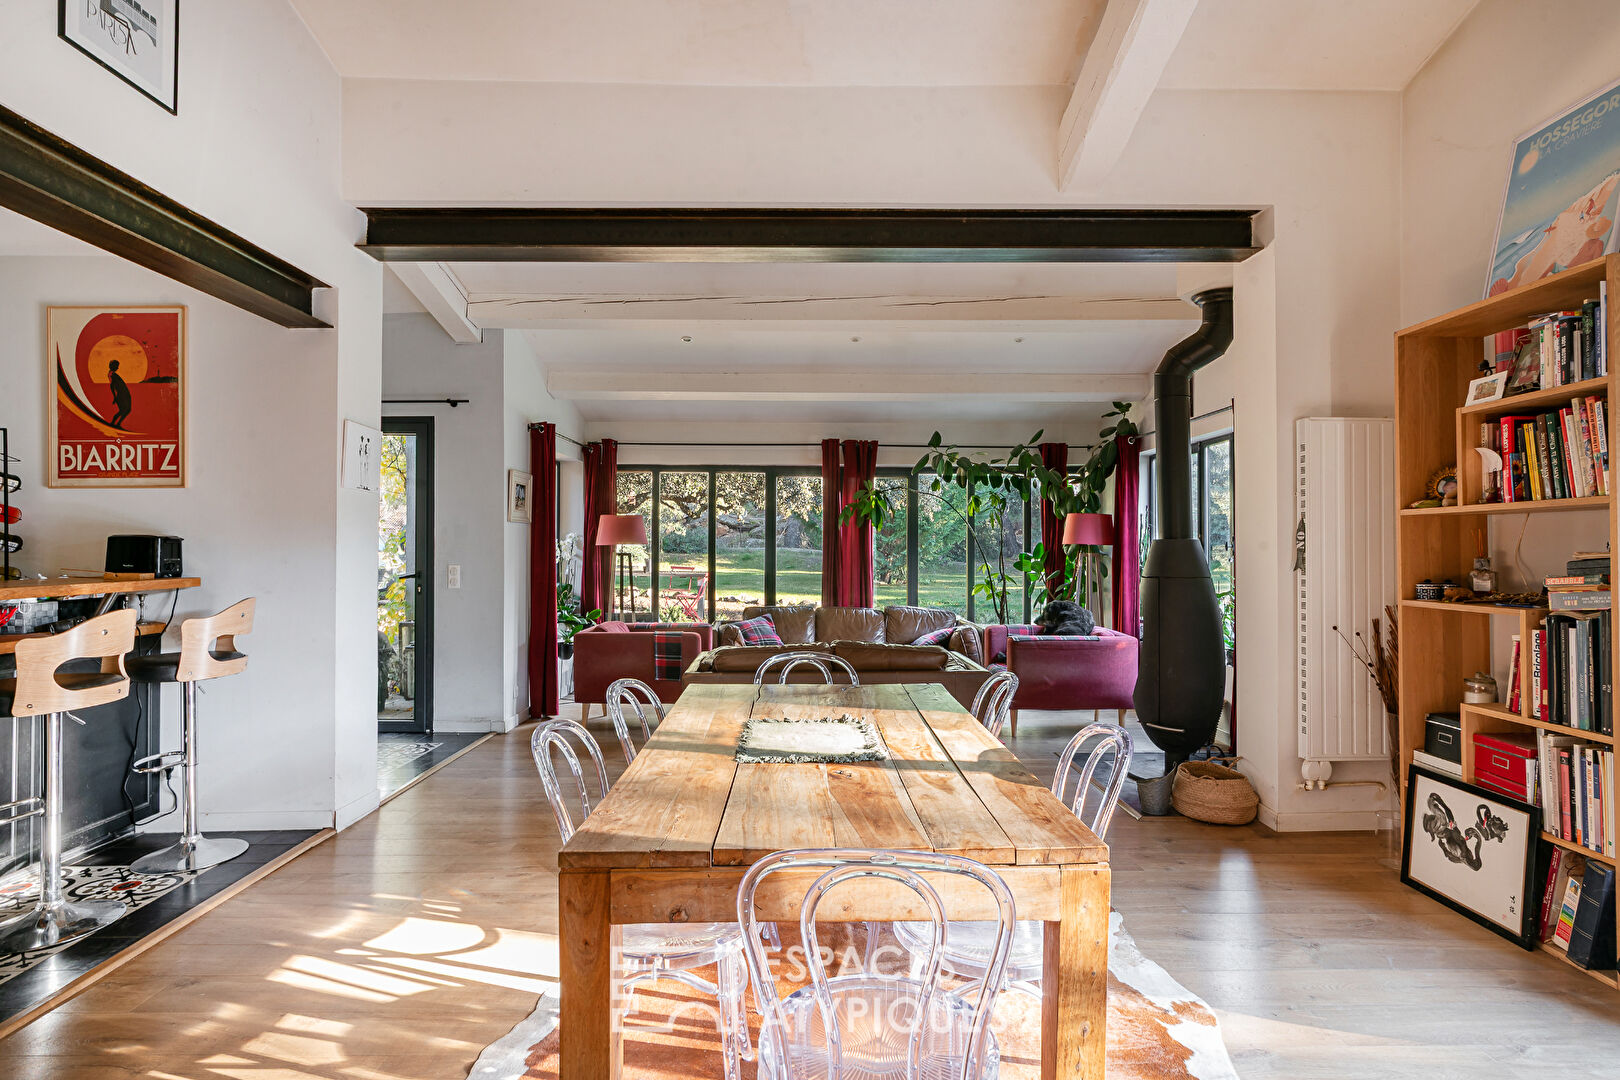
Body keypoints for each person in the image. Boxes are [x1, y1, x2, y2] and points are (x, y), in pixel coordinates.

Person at [107, 359, 131, 429]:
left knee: (126, 410)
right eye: (116, 366)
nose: (118, 368)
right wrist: (115, 396)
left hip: (123, 394)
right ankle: (114, 424)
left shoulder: (112, 374)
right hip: (121, 395)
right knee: (125, 410)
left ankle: (117, 424)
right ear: (112, 366)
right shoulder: (112, 375)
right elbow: (112, 386)